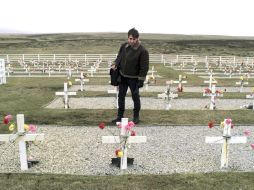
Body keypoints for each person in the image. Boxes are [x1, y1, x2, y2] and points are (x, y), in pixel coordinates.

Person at [111, 28, 149, 124]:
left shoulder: (143, 51)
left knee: (135, 96)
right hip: (123, 76)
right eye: (130, 38)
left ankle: (136, 116)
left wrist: (141, 80)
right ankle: (119, 116)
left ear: (137, 39)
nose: (131, 41)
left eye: (134, 39)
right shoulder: (124, 46)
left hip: (134, 78)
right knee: (121, 96)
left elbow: (144, 67)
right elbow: (119, 56)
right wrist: (115, 63)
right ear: (128, 37)